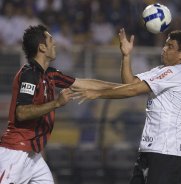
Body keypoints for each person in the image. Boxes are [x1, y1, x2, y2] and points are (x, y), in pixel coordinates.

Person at [74, 28, 181, 184]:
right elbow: (129, 83)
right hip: (152, 148)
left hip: (166, 150)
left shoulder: (176, 72)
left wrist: (98, 93)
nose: (164, 49)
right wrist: (126, 56)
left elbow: (132, 90)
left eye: (170, 46)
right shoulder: (162, 70)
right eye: (165, 45)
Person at [0, 24, 119, 184]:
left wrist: (120, 87)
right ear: (42, 47)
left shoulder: (50, 74)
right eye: (51, 39)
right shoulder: (29, 74)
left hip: (32, 155)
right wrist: (56, 103)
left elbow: (83, 83)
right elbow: (21, 113)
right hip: (16, 151)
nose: (54, 43)